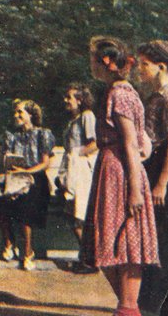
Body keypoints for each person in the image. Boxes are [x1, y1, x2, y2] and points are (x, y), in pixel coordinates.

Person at [82, 36, 158, 316]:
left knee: (121, 241)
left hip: (120, 172)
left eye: (93, 60)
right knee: (114, 242)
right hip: (117, 168)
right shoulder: (126, 92)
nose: (91, 65)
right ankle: (129, 307)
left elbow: (129, 141)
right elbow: (143, 142)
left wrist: (135, 189)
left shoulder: (119, 94)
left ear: (106, 63)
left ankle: (128, 308)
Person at [136, 41, 168, 316]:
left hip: (166, 173)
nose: (140, 69)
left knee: (165, 242)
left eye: (144, 64)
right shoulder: (154, 96)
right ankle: (157, 304)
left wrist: (162, 183)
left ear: (161, 66)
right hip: (153, 170)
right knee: (155, 239)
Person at [0, 99, 55, 271]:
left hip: (35, 177)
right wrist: (11, 166)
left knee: (26, 202)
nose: (16, 115)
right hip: (15, 176)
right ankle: (9, 242)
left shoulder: (43, 134)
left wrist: (27, 171)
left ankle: (28, 251)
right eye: (15, 112)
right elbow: (7, 160)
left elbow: (45, 163)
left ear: (31, 115)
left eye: (20, 112)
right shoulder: (12, 136)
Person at [55, 83, 98, 272]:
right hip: (73, 171)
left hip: (82, 172)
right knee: (73, 216)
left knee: (80, 216)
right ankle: (88, 257)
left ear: (80, 100)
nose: (66, 100)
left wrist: (77, 156)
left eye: (69, 97)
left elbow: (95, 143)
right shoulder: (73, 121)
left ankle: (91, 260)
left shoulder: (87, 117)